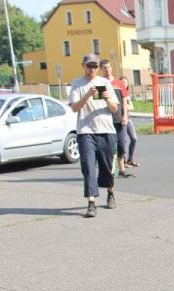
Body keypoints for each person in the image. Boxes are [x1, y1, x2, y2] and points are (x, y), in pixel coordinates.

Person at [69, 53, 119, 218]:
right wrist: (87, 95)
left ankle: (110, 192)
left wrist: (107, 98)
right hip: (86, 131)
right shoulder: (77, 84)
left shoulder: (104, 83)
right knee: (88, 167)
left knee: (107, 167)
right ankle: (91, 203)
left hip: (106, 130)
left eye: (95, 66)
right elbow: (74, 108)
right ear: (83, 66)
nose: (92, 69)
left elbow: (115, 109)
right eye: (89, 66)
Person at [99, 59, 134, 178]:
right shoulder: (100, 83)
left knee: (122, 144)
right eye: (104, 67)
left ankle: (122, 169)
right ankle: (111, 169)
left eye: (109, 67)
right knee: (109, 147)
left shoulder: (119, 83)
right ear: (101, 69)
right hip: (106, 120)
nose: (107, 69)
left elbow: (124, 99)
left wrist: (125, 115)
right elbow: (97, 101)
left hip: (119, 119)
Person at [120, 76, 139, 167]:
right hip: (120, 120)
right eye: (122, 82)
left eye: (125, 82)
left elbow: (131, 107)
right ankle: (122, 161)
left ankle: (130, 159)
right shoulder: (117, 93)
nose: (124, 84)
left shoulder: (126, 95)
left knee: (134, 139)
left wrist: (125, 105)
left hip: (128, 119)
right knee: (122, 141)